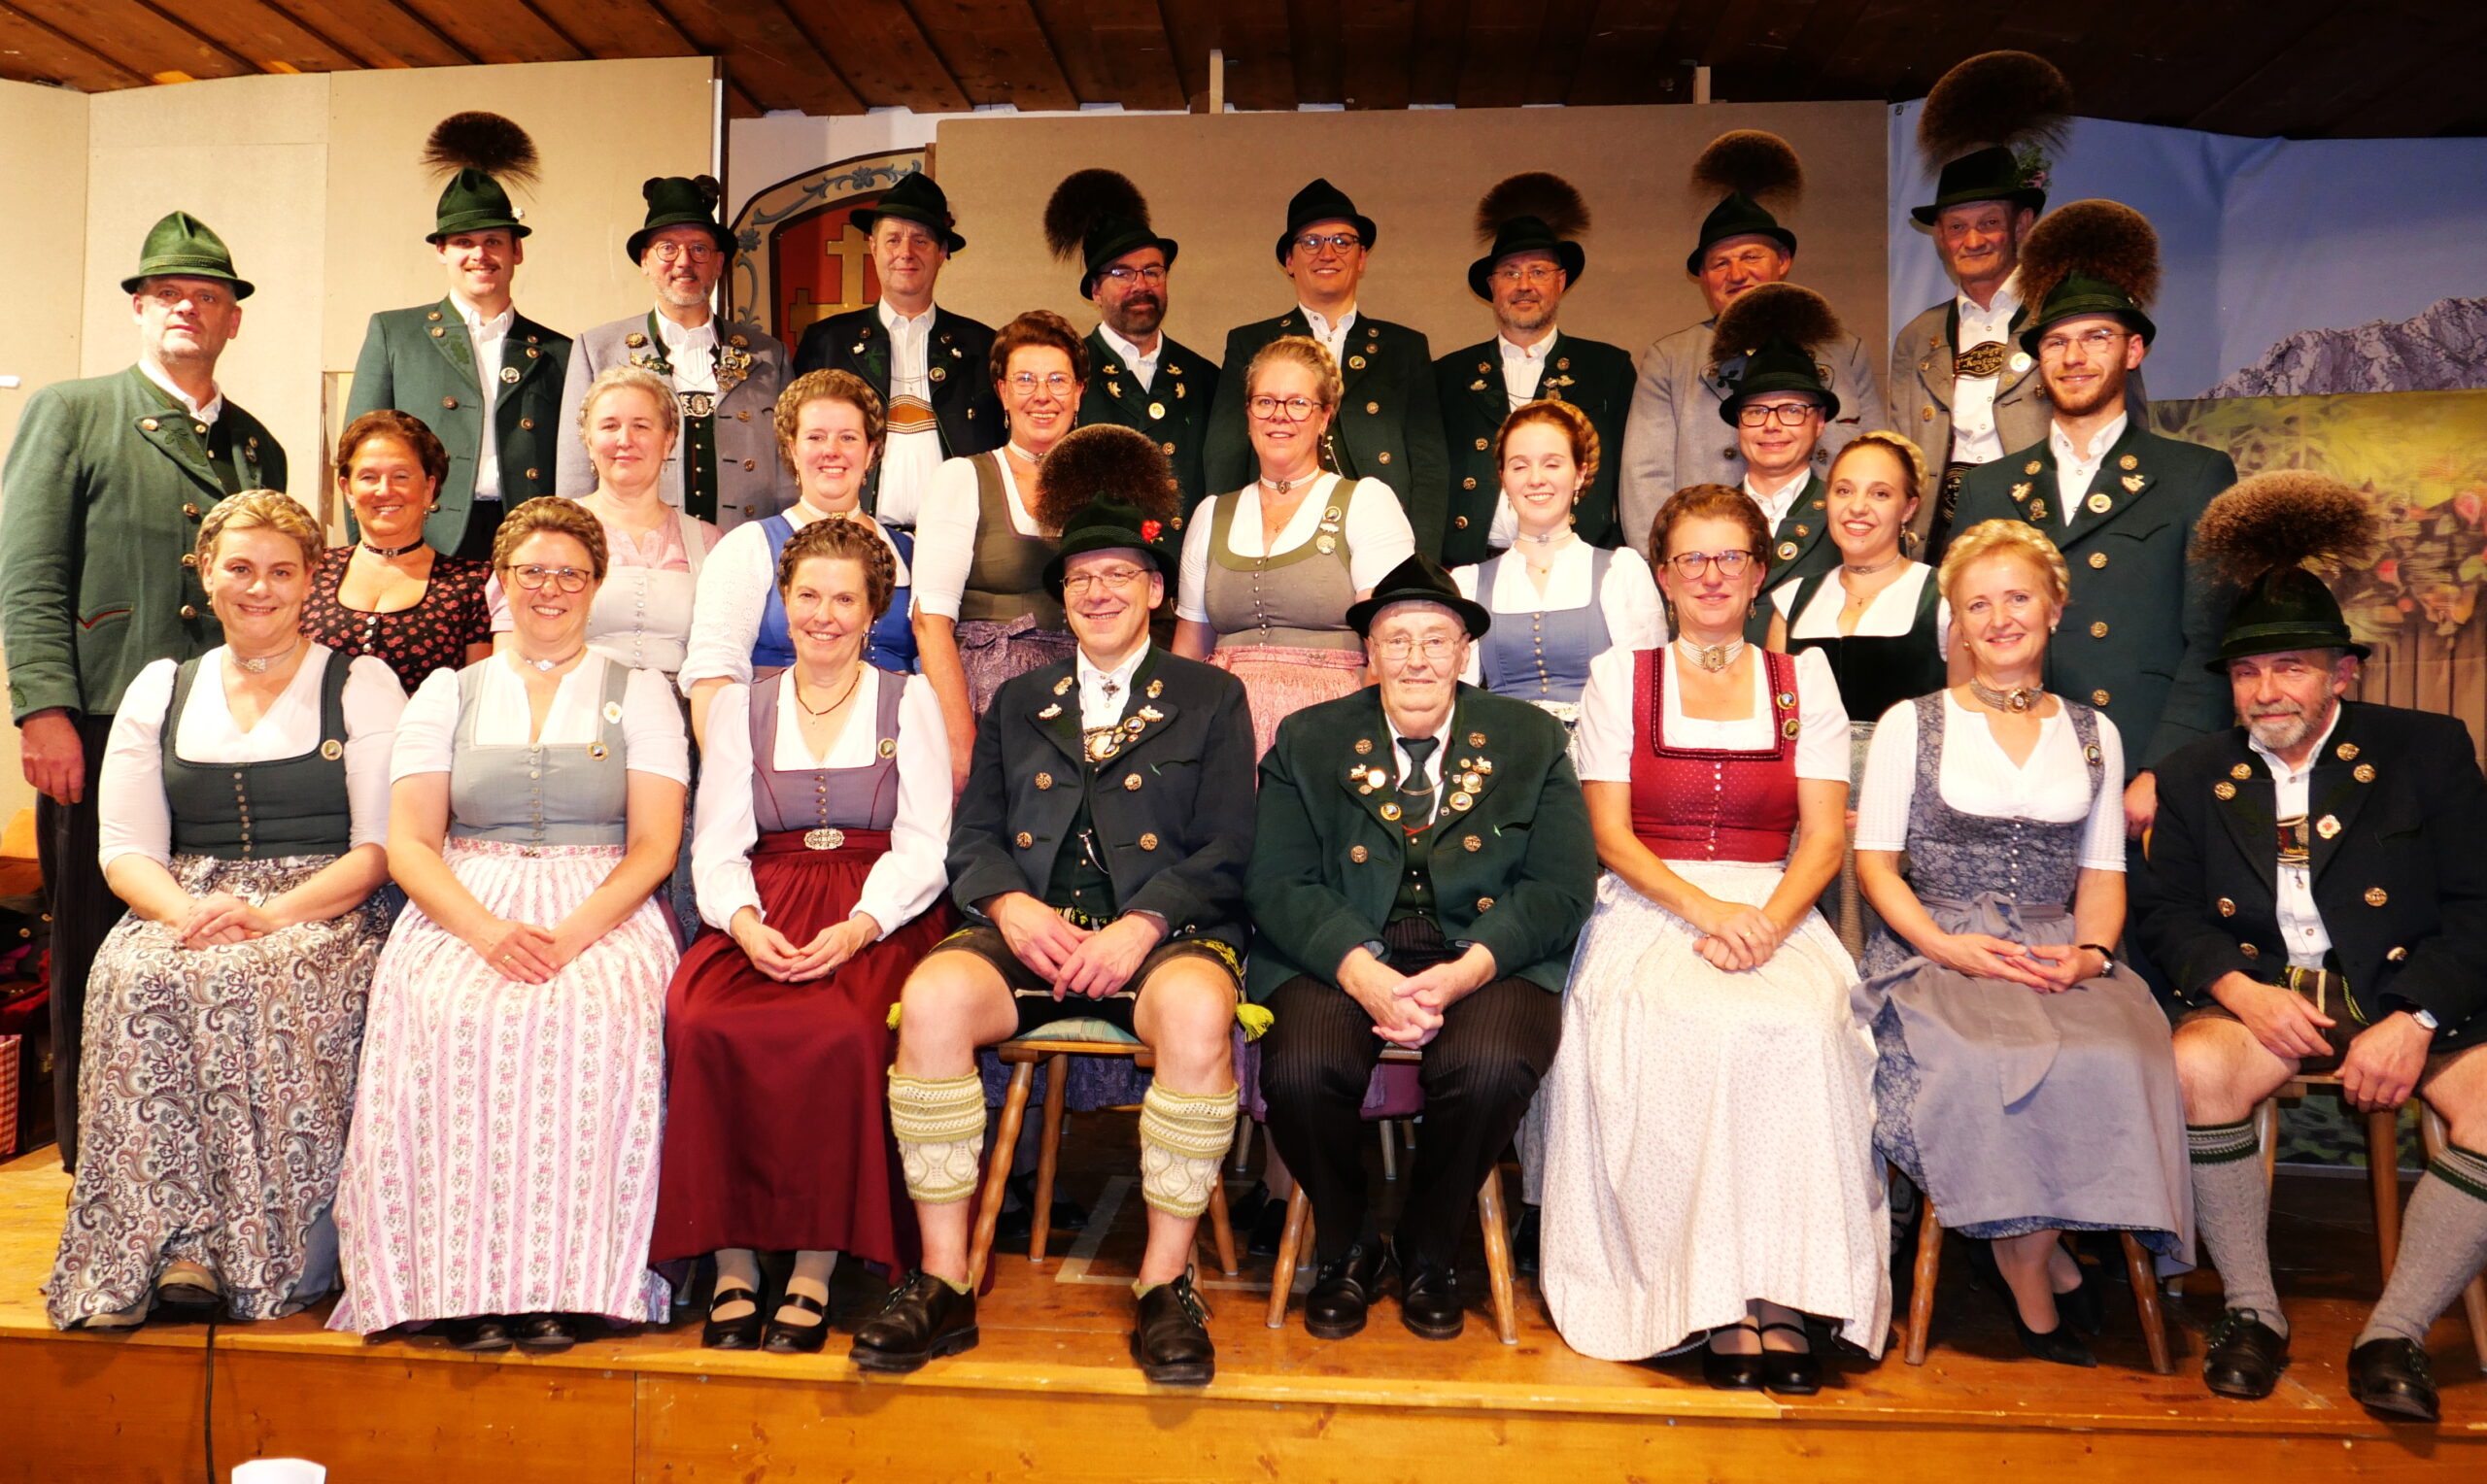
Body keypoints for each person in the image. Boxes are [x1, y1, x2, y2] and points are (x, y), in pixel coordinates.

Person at [851, 495, 1256, 1385]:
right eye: (1079, 581)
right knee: (932, 1000)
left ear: (1155, 591)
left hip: (1165, 933)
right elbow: (973, 837)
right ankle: (944, 1279)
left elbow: (1231, 846)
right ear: (1061, 599)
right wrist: (1008, 907)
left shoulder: (1212, 696)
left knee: (1197, 1014)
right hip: (1031, 931)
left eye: (1118, 576)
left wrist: (1142, 923)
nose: (1098, 593)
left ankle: (1165, 1285)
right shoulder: (1021, 700)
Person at [2133, 473, 2487, 1424]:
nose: (2266, 690)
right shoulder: (2194, 773)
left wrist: (2418, 1017)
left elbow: (2478, 904)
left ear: (2342, 673)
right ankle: (2251, 1313)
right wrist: (2238, 991)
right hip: (2267, 996)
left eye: (2290, 666)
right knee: (2192, 1067)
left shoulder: (2426, 750)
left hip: (2406, 993)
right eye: (2248, 672)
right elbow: (2166, 913)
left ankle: (2395, 1332)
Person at [1537, 483, 1881, 1388]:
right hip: (1652, 900)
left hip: (1777, 902)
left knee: (1803, 1025)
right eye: (1692, 558)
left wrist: (1766, 923)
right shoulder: (1622, 677)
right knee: (1680, 1020)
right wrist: (1709, 912)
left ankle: (1784, 1290)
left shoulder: (1803, 681)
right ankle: (1708, 1293)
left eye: (1732, 556)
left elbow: (1824, 838)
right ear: (1663, 575)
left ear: (1759, 572)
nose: (1712, 575)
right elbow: (1611, 837)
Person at [330, 497, 689, 1354]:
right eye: (532, 572)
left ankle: (574, 1280)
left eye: (571, 573)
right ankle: (452, 1280)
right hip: (468, 896)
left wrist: (572, 935)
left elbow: (654, 845)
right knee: (448, 1010)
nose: (550, 589)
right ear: (500, 583)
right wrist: (486, 932)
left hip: (601, 898)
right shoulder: (448, 693)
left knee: (596, 1010)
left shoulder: (639, 692)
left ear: (596, 586)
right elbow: (411, 845)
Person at [44, 492, 403, 1329]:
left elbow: (377, 849)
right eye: (239, 568)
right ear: (206, 574)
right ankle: (155, 1248)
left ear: (311, 580)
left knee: (250, 978)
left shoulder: (361, 684)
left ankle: (257, 1249)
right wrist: (186, 914)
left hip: (324, 903)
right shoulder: (161, 686)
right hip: (188, 899)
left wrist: (271, 917)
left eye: (281, 571)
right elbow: (125, 847)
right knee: (133, 977)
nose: (259, 588)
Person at [1854, 519, 2193, 1368]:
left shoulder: (2096, 732)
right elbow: (1877, 869)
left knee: (2120, 1051)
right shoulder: (1911, 724)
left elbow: (2102, 873)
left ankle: (2026, 1253)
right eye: (1978, 605)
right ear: (1957, 627)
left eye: (2017, 598)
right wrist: (1948, 947)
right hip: (1935, 944)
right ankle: (2032, 1276)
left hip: (2056, 944)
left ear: (2054, 609)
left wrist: (2091, 956)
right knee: (1981, 1060)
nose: (2000, 618)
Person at [0, 211, 285, 1171]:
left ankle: (193, 1140)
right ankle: (99, 1156)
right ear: (138, 307)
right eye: (168, 292)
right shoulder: (74, 411)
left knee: (202, 934)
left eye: (207, 295)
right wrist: (44, 709)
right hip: (98, 720)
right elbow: (29, 573)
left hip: (220, 730)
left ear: (233, 318)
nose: (187, 308)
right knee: (93, 936)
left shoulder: (258, 448)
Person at [1250, 555, 1596, 1341]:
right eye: (1396, 641)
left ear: (1464, 653)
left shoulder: (1530, 738)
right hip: (1343, 949)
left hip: (1484, 953)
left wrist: (1466, 972)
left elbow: (1560, 887)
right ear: (1368, 655)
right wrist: (1362, 973)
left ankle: (1429, 1244)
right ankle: (1347, 1242)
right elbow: (1277, 881)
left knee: (1491, 1068)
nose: (1415, 659)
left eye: (1435, 640)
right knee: (1299, 1072)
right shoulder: (1309, 739)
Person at [656, 517, 955, 1355]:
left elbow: (926, 842)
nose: (824, 615)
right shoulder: (740, 707)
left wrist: (863, 925)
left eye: (844, 600)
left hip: (879, 903)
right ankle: (733, 1262)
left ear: (873, 611)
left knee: (844, 1028)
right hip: (767, 897)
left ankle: (817, 1265)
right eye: (808, 596)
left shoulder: (910, 700)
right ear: (783, 601)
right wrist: (744, 924)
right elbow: (717, 842)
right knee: (701, 1018)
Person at [1949, 201, 2235, 845]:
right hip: (2014, 777)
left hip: (2144, 776)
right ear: (2037, 360)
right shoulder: (1989, 489)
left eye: (2097, 337)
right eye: (2056, 341)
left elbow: (2211, 644)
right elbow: (1964, 644)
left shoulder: (2194, 476)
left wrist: (2164, 771)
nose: (2074, 357)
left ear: (2134, 350)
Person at [1619, 131, 1883, 549]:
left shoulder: (1843, 350)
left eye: (1751, 257)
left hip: (1827, 550)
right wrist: (1664, 561)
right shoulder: (1671, 358)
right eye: (1720, 263)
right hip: (1706, 557)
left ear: (1783, 261)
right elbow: (1644, 479)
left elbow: (1876, 460)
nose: (1737, 275)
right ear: (1702, 277)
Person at [1173, 336, 1416, 757]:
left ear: (1325, 417)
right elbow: (1189, 653)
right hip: (1224, 735)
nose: (1279, 415)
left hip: (1331, 732)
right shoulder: (1211, 514)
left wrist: (1365, 741)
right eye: (1265, 402)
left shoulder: (1366, 502)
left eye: (1298, 403)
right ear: (1248, 414)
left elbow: (1389, 642)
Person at [345, 114, 569, 560]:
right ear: (442, 251)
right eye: (464, 242)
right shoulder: (395, 334)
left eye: (493, 241)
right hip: (425, 535)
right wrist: (365, 552)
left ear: (516, 250)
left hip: (527, 538)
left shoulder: (558, 351)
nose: (479, 254)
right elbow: (358, 454)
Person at [1766, 432, 1954, 955]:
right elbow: (1778, 730)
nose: (1858, 507)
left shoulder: (1942, 597)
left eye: (1880, 493)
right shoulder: (1792, 601)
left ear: (1909, 508)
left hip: (1907, 814)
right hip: (1807, 809)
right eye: (1844, 490)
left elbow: (1963, 726)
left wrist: (1887, 809)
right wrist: (1815, 812)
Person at [913, 313, 1116, 788]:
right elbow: (930, 621)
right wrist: (960, 743)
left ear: (1079, 392)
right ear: (1003, 392)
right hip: (989, 698)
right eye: (1025, 380)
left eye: (1057, 380)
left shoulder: (1108, 488)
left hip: (1088, 695)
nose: (1042, 395)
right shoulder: (964, 478)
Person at [1205, 179, 1450, 556]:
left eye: (1342, 241)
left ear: (1361, 258)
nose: (1327, 253)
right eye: (1311, 242)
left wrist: (1421, 565)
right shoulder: (1249, 343)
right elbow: (1226, 454)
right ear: (1289, 261)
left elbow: (1430, 465)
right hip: (1277, 536)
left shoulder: (1404, 348)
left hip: (1382, 538)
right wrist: (1228, 550)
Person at [680, 370, 918, 746]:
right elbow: (715, 673)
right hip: (776, 749)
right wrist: (724, 769)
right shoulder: (748, 546)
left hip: (893, 746)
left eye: (848, 437)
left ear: (872, 450)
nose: (831, 450)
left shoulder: (911, 553)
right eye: (815, 437)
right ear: (791, 449)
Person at [559, 176, 793, 531]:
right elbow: (575, 473)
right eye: (667, 248)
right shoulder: (598, 350)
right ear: (645, 261)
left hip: (745, 545)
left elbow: (789, 469)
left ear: (719, 263)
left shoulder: (769, 355)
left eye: (699, 249)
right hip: (635, 545)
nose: (684, 262)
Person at [1436, 174, 1635, 560]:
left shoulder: (1608, 369)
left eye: (1539, 272)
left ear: (1561, 282)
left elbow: (1630, 478)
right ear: (1492, 285)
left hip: (1579, 560)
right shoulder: (1448, 375)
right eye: (1510, 273)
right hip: (1470, 564)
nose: (1524, 284)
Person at [792, 172, 1002, 528]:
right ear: (873, 246)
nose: (905, 253)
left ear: (942, 252)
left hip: (959, 537)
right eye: (893, 240)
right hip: (851, 536)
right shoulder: (826, 342)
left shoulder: (982, 346)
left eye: (921, 240)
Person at [1452, 400, 1662, 728]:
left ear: (1580, 474)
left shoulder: (1621, 572)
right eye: (1519, 466)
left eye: (1552, 464)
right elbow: (1456, 700)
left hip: (1600, 750)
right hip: (1503, 750)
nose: (1536, 479)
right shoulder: (1468, 584)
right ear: (1503, 478)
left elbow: (1644, 694)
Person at [1045, 169, 1219, 563]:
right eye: (1122, 273)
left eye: (1152, 271)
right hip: (1099, 571)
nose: (1141, 285)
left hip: (1188, 572)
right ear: (1095, 290)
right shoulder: (1067, 371)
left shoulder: (1205, 378)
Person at [300, 411, 500, 692]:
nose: (384, 490)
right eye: (368, 477)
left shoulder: (472, 585)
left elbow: (477, 698)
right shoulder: (312, 569)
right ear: (347, 490)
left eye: (401, 476)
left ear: (429, 488)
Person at [1706, 284, 1850, 642]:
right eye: (1756, 411)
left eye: (1792, 410)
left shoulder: (1847, 514)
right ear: (1739, 423)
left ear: (1820, 422)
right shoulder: (1705, 516)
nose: (1772, 425)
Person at [571, 365, 721, 678]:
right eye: (610, 426)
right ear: (588, 440)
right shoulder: (550, 532)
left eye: (641, 426)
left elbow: (722, 654)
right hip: (577, 699)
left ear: (668, 440)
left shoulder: (710, 542)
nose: (625, 440)